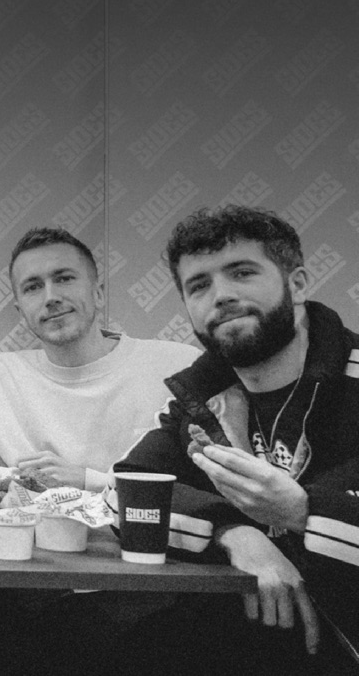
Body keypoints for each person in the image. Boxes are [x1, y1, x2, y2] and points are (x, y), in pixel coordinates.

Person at [116, 205, 359, 673]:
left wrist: (301, 512)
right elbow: (126, 495)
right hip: (257, 635)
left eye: (242, 273)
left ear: (297, 284)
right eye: (198, 285)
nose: (221, 295)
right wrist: (232, 532)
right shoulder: (199, 398)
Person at [0, 225, 199, 490]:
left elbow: (208, 483)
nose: (50, 297)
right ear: (21, 311)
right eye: (33, 287)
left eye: (64, 278)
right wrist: (20, 482)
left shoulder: (177, 366)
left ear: (98, 293)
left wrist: (88, 481)